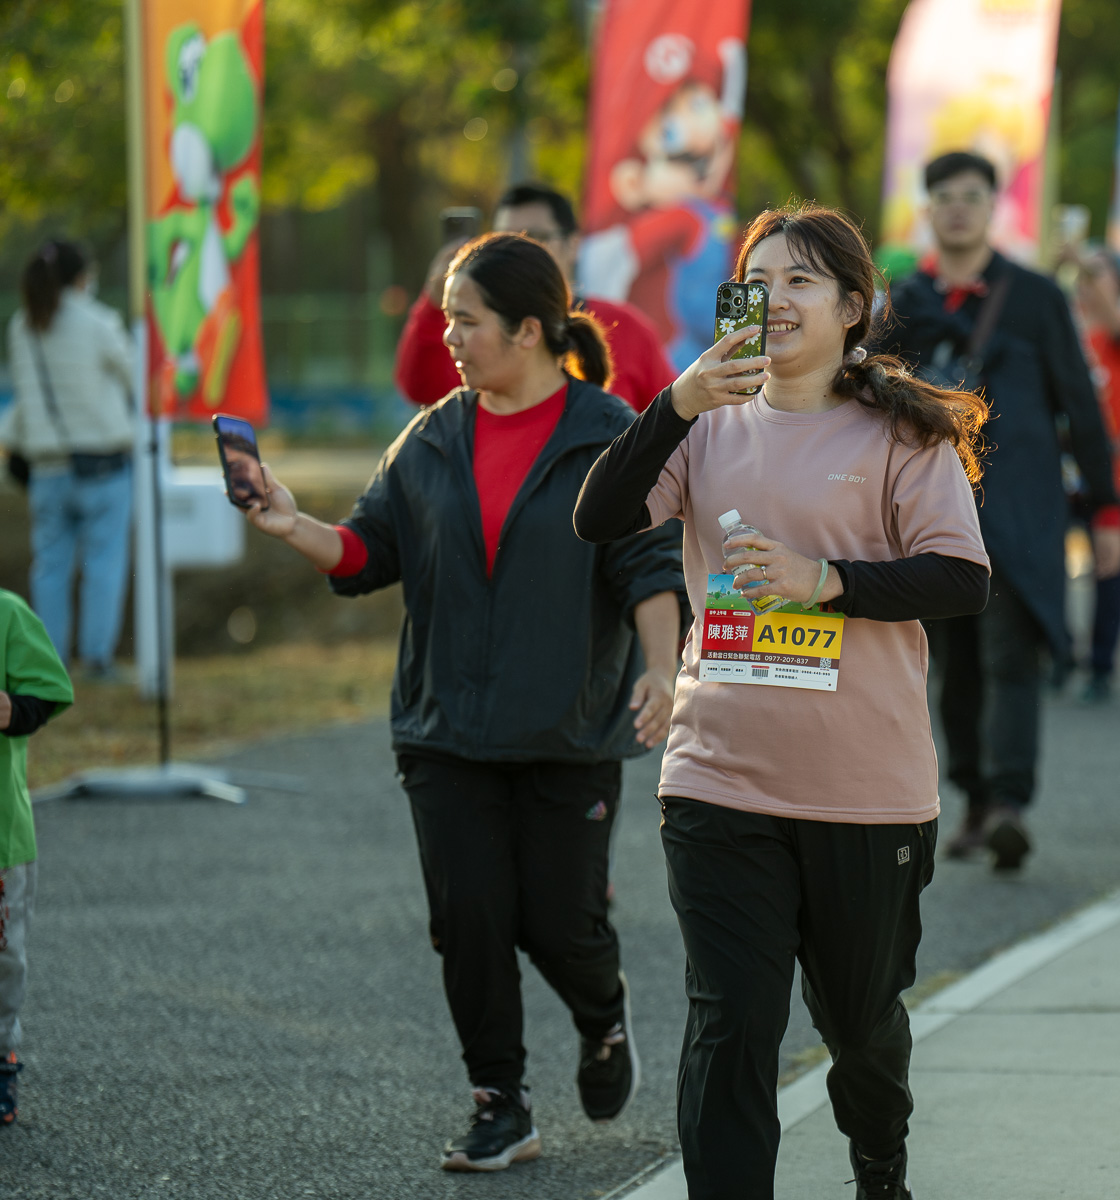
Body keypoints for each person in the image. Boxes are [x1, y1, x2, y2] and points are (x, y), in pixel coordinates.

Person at [572, 202, 991, 1200]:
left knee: (860, 1026)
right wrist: (674, 402)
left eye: (801, 279)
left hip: (865, 791)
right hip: (718, 776)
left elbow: (961, 579)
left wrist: (825, 581)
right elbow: (599, 516)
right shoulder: (704, 424)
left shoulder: (901, 435)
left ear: (852, 307)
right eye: (758, 281)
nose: (776, 297)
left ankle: (878, 1165)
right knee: (731, 1022)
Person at [243, 233, 686, 1172]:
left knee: (559, 924)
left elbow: (649, 565)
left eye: (464, 320)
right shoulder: (433, 436)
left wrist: (660, 670)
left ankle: (603, 1016)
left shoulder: (608, 432)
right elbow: (370, 550)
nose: (447, 336)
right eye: (448, 318)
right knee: (470, 919)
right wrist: (291, 523)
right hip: (444, 729)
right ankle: (500, 1103)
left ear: (528, 330)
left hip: (566, 729)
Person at [878, 150, 1120, 870]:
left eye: (971, 196)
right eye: (945, 197)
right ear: (928, 210)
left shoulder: (1037, 296)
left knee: (1012, 656)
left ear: (993, 208)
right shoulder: (903, 303)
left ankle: (1010, 804)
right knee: (952, 666)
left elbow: (1080, 402)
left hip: (1018, 513)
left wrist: (1107, 509)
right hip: (925, 516)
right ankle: (977, 799)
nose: (958, 209)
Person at [394, 182, 677, 411]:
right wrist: (436, 304)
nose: (520, 253)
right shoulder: (475, 328)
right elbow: (420, 390)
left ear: (572, 245)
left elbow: (676, 424)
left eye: (535, 237)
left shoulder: (625, 327)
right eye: (505, 240)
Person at [1, 241, 136, 678]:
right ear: (81, 277)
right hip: (104, 466)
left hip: (47, 468)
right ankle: (97, 660)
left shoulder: (23, 325)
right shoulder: (99, 322)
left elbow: (25, 397)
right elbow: (136, 376)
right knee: (104, 565)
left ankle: (49, 663)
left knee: (51, 569)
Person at [0, 588, 75, 1129]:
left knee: (3, 957)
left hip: (2, 838)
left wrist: (13, 710)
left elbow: (49, 690)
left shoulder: (7, 613)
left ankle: (0, 1056)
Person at [1066, 245, 1120, 704]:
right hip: (1066, 473)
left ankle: (1101, 665)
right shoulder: (1066, 333)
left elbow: (1116, 326)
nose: (1087, 282)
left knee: (1111, 576)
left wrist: (1080, 261)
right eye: (1083, 275)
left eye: (1099, 273)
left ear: (1119, 284)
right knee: (1042, 561)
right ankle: (1057, 652)